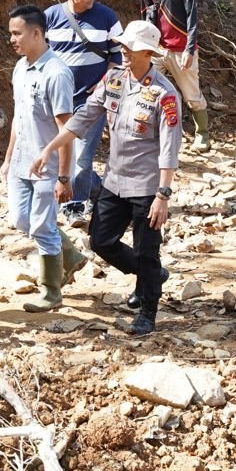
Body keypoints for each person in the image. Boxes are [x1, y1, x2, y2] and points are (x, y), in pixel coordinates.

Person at [32, 21, 181, 336]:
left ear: (147, 53)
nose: (124, 51)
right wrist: (49, 149)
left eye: (130, 47)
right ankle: (149, 276)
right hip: (114, 181)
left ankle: (148, 311)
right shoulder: (113, 80)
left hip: (147, 187)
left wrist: (163, 196)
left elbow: (170, 148)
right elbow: (83, 117)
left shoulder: (164, 94)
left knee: (146, 250)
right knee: (100, 240)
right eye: (123, 46)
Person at [2, 5, 89, 313]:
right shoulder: (20, 68)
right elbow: (18, 116)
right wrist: (8, 157)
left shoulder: (56, 73)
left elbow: (67, 129)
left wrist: (65, 176)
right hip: (21, 163)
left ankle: (51, 289)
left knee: (40, 225)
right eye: (11, 33)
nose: (12, 39)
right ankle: (71, 255)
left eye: (17, 33)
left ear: (37, 33)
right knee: (20, 219)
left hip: (47, 167)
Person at [44, 0, 124, 222]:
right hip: (59, 100)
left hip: (92, 100)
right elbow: (40, 55)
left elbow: (118, 58)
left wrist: (103, 84)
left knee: (82, 154)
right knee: (61, 152)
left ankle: (75, 204)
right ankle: (101, 190)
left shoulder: (107, 17)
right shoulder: (50, 17)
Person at [138, 0, 210, 151]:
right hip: (157, 48)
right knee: (146, 91)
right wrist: (146, 47)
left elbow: (192, 16)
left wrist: (190, 49)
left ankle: (202, 134)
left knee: (192, 94)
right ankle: (147, 133)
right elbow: (144, 13)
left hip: (181, 48)